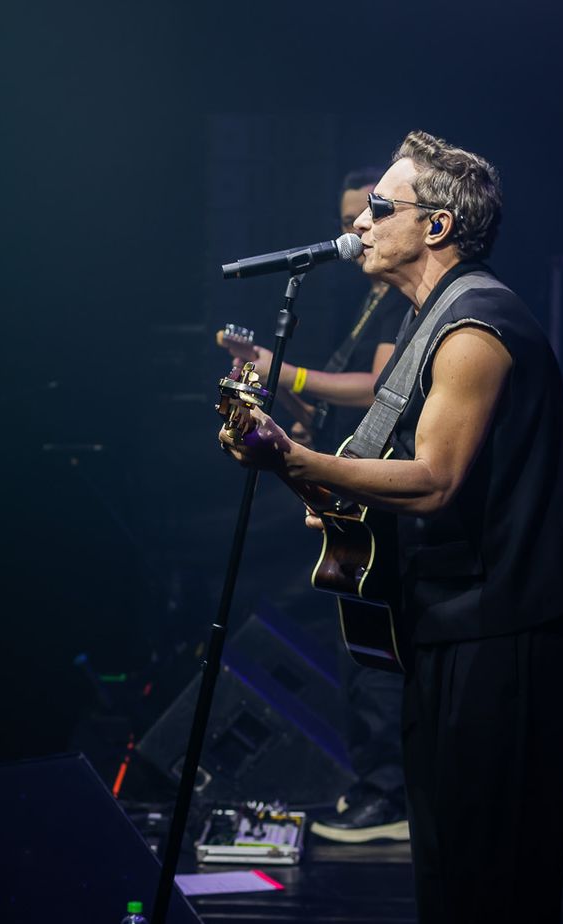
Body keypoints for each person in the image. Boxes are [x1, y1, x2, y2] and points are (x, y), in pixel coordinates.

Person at [219, 131, 563, 924]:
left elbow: (434, 480)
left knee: (495, 841)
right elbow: (385, 476)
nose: (358, 222)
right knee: (444, 839)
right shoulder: (426, 319)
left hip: (505, 619)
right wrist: (314, 476)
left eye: (378, 207)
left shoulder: (475, 324)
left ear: (435, 224)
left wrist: (291, 455)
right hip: (448, 616)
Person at [219, 168, 410, 843]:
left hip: (366, 493)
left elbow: (377, 388)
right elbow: (331, 405)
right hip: (339, 488)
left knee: (374, 647)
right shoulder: (363, 303)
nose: (355, 231)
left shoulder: (399, 302)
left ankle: (390, 795)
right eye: (349, 216)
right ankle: (377, 785)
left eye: (370, 213)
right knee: (355, 644)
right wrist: (273, 393)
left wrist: (284, 370)